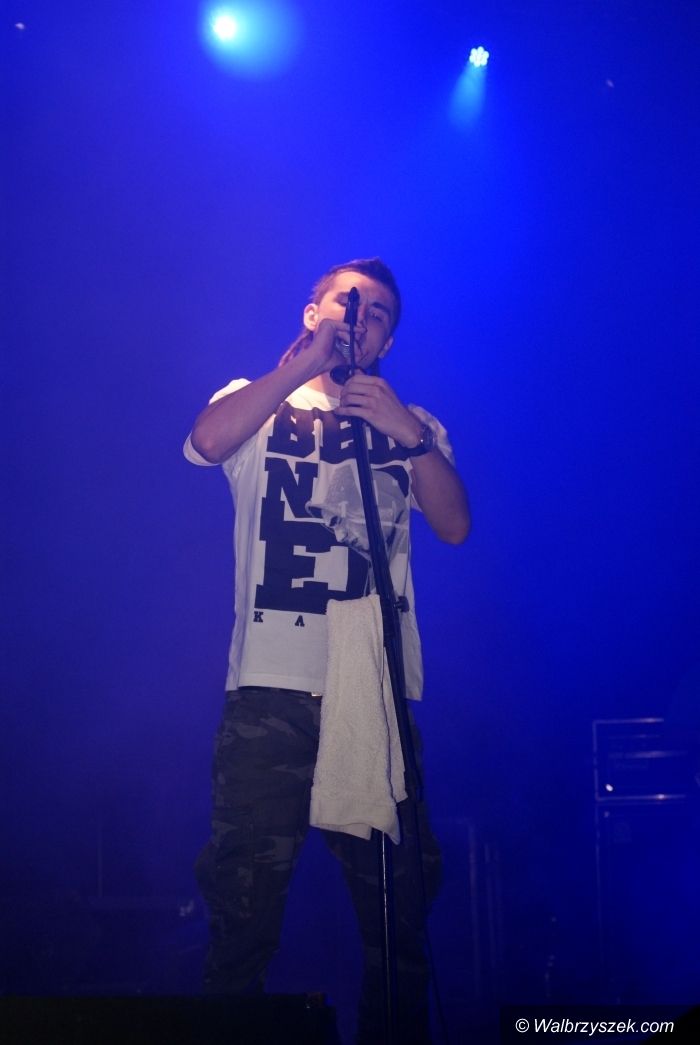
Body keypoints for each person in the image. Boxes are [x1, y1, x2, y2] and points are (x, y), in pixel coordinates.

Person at [184, 257, 470, 1043]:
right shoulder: (260, 401)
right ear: (313, 313)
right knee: (243, 910)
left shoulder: (411, 423)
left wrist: (409, 432)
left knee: (398, 911)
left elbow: (455, 525)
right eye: (347, 304)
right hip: (271, 688)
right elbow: (205, 440)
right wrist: (300, 367)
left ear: (388, 340)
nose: (359, 318)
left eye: (377, 313)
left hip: (370, 689)